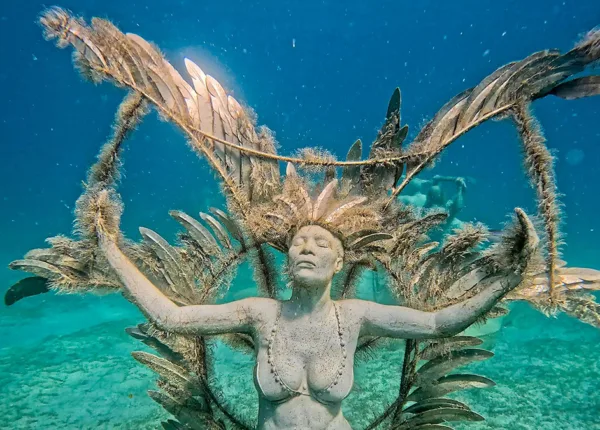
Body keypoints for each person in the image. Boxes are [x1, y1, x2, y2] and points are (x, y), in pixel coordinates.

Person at [97, 194, 527, 430]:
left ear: (339, 264)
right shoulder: (259, 313)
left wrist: (505, 281)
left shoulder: (355, 315)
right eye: (299, 242)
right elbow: (171, 318)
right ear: (286, 262)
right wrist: (112, 253)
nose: (307, 247)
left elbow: (436, 324)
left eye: (322, 244)